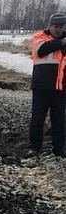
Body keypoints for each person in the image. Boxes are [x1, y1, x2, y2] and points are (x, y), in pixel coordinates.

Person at [29, 13, 66, 157]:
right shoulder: (40, 37)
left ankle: (59, 149)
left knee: (59, 120)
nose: (58, 30)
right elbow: (41, 51)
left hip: (60, 87)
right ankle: (34, 147)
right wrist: (62, 43)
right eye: (55, 27)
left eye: (61, 27)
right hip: (41, 87)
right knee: (38, 118)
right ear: (50, 26)